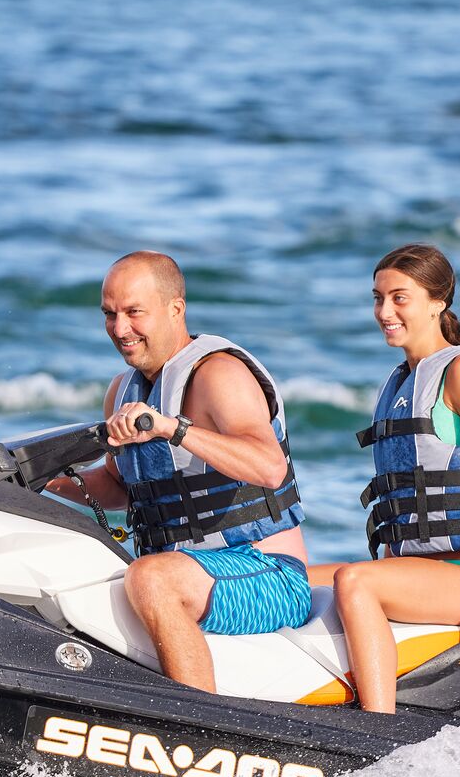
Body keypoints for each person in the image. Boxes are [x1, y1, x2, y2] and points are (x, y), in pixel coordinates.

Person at [47, 251, 311, 693]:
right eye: (109, 315)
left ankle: (199, 728)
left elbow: (268, 466)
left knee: (150, 576)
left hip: (268, 575)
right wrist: (36, 481)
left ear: (175, 309)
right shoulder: (123, 390)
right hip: (185, 571)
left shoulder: (219, 374)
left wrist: (172, 428)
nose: (119, 329)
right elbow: (116, 486)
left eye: (134, 312)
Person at [325, 243, 460, 714]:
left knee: (354, 581)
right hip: (419, 570)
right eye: (377, 298)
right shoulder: (401, 382)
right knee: (295, 579)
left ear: (438, 302)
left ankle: (377, 728)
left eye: (399, 298)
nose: (384, 311)